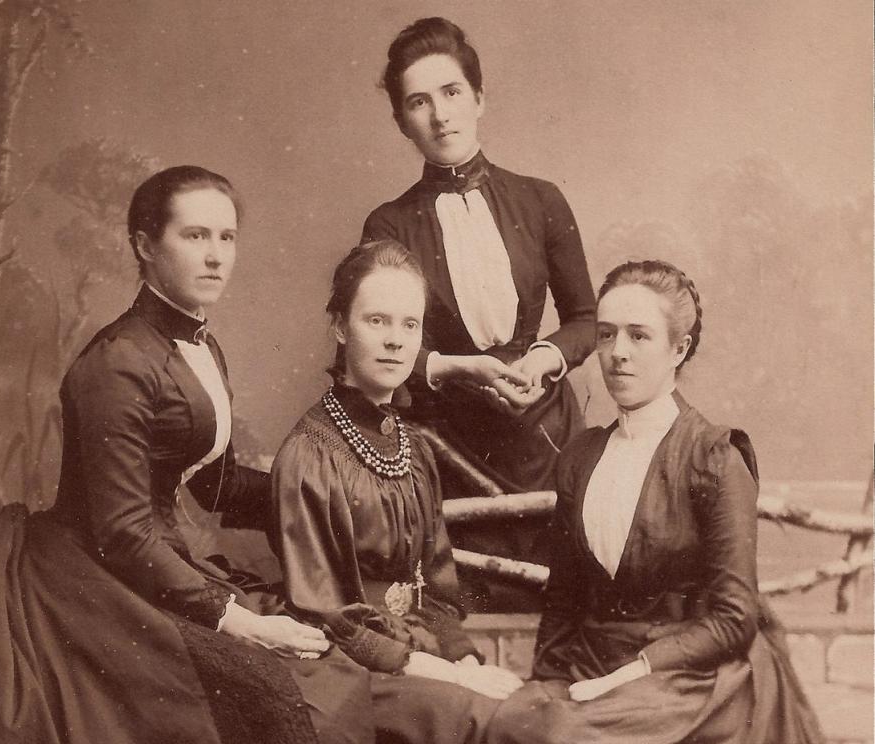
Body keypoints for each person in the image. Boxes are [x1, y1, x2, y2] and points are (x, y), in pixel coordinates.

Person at [0, 166, 373, 744]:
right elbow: (121, 530)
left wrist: (321, 497)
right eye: (195, 236)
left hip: (156, 561)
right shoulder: (117, 362)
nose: (216, 256)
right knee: (275, 693)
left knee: (329, 670)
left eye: (227, 237)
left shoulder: (200, 345)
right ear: (145, 246)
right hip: (94, 577)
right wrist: (236, 619)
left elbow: (212, 485)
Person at [486, 260, 824, 743]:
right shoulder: (581, 457)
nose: (617, 353)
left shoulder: (714, 457)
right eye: (606, 335)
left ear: (678, 348)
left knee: (567, 737)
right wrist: (548, 678)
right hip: (595, 662)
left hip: (691, 675)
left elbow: (734, 619)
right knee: (508, 724)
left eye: (638, 336)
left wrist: (632, 673)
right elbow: (564, 596)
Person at [271, 240, 523, 744]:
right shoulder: (309, 455)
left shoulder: (413, 448)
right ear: (341, 327)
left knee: (518, 707)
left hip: (417, 658)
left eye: (409, 325)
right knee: (484, 719)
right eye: (376, 321)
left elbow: (439, 591)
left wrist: (467, 660)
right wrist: (451, 675)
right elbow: (332, 619)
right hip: (347, 671)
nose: (395, 341)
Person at [361, 17, 596, 495]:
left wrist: (541, 360)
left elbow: (586, 319)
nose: (440, 115)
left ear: (479, 99)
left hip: (549, 434)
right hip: (451, 448)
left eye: (451, 92)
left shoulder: (541, 200)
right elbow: (374, 347)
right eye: (419, 102)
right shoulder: (389, 225)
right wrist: (456, 369)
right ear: (402, 123)